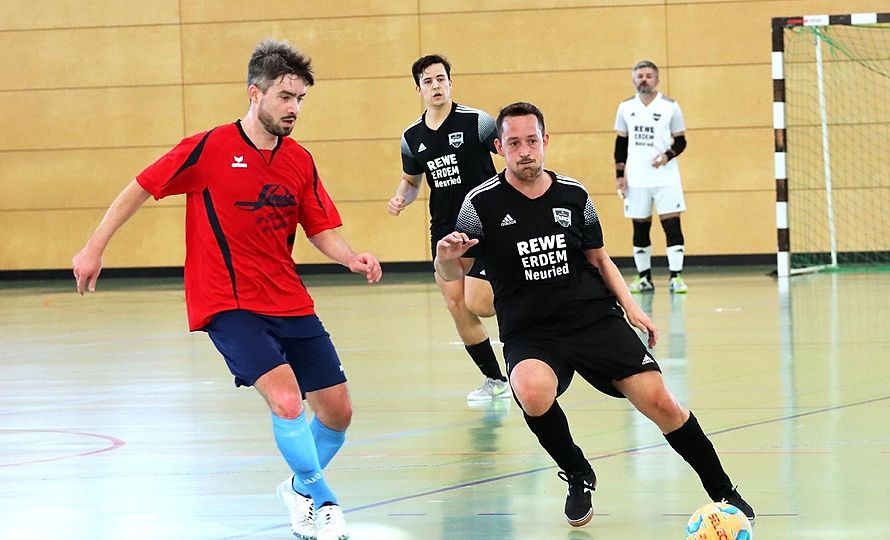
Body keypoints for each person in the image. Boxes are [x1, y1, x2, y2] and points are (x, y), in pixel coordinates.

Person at [71, 39, 378, 540]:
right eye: (284, 96)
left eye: (300, 98)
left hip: (290, 300)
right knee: (287, 403)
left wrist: (350, 256)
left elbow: (318, 225)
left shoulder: (299, 160)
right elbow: (140, 188)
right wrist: (93, 246)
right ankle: (323, 502)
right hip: (228, 301)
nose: (294, 108)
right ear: (254, 94)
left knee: (338, 412)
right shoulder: (208, 147)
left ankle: (298, 487)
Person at [435, 102, 753, 528]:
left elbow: (599, 259)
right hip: (531, 332)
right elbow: (457, 272)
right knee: (530, 390)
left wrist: (632, 307)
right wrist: (444, 259)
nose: (525, 150)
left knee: (663, 402)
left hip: (592, 319)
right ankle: (578, 473)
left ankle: (723, 492)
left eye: (532, 140)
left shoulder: (574, 194)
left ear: (545, 142)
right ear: (499, 147)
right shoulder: (480, 204)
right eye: (514, 143)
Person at [387, 54, 510, 403]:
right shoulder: (411, 137)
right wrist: (401, 198)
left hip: (486, 225)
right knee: (457, 305)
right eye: (428, 81)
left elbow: (509, 154)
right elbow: (411, 180)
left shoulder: (478, 122)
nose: (436, 86)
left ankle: (535, 343)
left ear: (450, 83)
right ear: (418, 89)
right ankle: (495, 379)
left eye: (441, 79)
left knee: (481, 302)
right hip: (444, 232)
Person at [614, 60, 689, 294]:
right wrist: (620, 175)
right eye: (639, 76)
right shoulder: (626, 107)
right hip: (637, 179)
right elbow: (621, 143)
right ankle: (644, 277)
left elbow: (681, 140)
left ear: (657, 80)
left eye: (648, 75)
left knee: (672, 225)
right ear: (633, 80)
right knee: (640, 228)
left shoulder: (670, 106)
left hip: (666, 178)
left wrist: (667, 156)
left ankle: (676, 277)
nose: (644, 79)